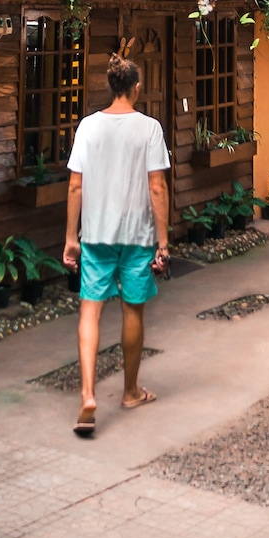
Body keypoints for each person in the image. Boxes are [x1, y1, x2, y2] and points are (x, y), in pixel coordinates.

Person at [63, 52, 170, 438]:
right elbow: (157, 186)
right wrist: (163, 240)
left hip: (96, 234)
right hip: (138, 235)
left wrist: (71, 239)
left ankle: (88, 395)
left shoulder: (88, 128)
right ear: (136, 87)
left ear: (111, 87)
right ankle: (129, 391)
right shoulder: (150, 129)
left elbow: (76, 184)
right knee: (133, 310)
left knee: (90, 312)